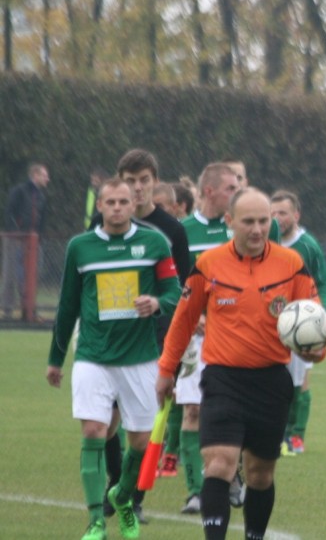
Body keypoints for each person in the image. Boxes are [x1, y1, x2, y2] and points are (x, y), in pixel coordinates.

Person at [157, 187, 326, 540]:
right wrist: (165, 370)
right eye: (248, 221)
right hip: (222, 380)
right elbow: (183, 321)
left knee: (261, 473)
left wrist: (316, 350)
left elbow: (314, 320)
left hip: (271, 381)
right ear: (230, 221)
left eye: (264, 221)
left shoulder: (292, 264)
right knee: (219, 463)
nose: (257, 229)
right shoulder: (208, 264)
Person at [46, 177, 181, 540]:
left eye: (125, 201)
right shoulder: (80, 247)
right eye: (112, 202)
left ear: (133, 205)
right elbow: (67, 305)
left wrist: (156, 303)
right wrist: (56, 358)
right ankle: (94, 522)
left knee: (138, 441)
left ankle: (122, 496)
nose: (118, 207)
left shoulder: (154, 243)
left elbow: (174, 291)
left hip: (140, 358)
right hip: (93, 356)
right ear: (100, 207)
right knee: (93, 430)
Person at [89, 149, 191, 524]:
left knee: (144, 423)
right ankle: (119, 484)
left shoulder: (172, 229)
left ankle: (135, 497)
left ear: (154, 183)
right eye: (130, 181)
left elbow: (185, 286)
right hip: (112, 339)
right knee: (110, 422)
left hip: (156, 338)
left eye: (144, 180)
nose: (137, 188)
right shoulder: (99, 225)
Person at [166, 162, 241, 512]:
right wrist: (190, 312)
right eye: (230, 187)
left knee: (235, 411)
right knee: (193, 409)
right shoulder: (181, 232)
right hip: (195, 340)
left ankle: (232, 474)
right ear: (209, 191)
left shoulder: (240, 231)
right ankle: (197, 490)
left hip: (236, 336)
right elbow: (171, 281)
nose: (236, 192)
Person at [271, 189, 326, 455]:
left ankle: (296, 436)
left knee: (299, 381)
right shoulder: (265, 242)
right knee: (275, 384)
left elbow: (324, 283)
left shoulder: (307, 245)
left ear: (296, 215)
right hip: (269, 324)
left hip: (300, 324)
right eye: (272, 213)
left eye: (282, 213)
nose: (277, 219)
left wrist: (322, 315)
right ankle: (277, 434)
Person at [2, 163, 49, 320]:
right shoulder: (20, 191)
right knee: (11, 273)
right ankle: (7, 308)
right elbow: (9, 211)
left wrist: (38, 235)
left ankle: (28, 308)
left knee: (33, 273)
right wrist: (16, 231)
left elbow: (42, 218)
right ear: (35, 175)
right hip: (16, 238)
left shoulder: (41, 196)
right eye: (44, 175)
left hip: (34, 240)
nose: (47, 179)